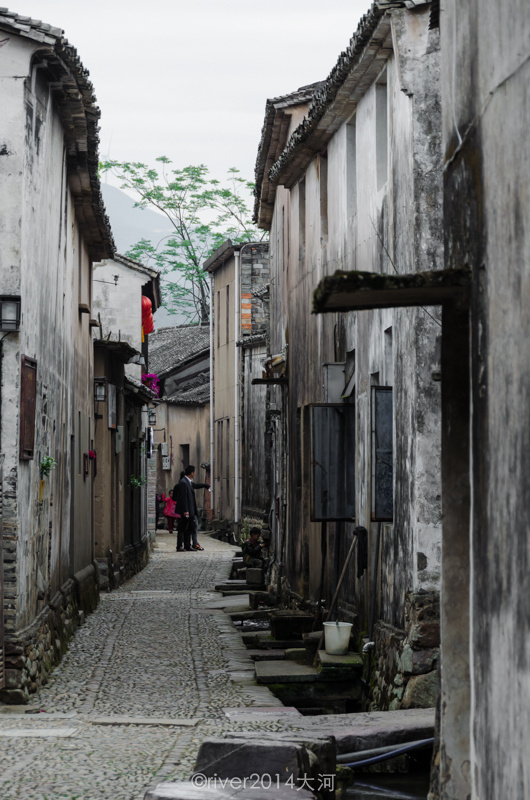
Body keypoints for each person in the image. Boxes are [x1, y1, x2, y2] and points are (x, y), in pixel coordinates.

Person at [174, 469, 209, 551]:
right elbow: (183, 498)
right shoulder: (183, 483)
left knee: (189, 528)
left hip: (189, 510)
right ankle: (180, 546)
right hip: (184, 510)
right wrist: (185, 510)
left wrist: (205, 485)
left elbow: (196, 485)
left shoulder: (188, 483)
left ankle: (187, 545)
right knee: (182, 528)